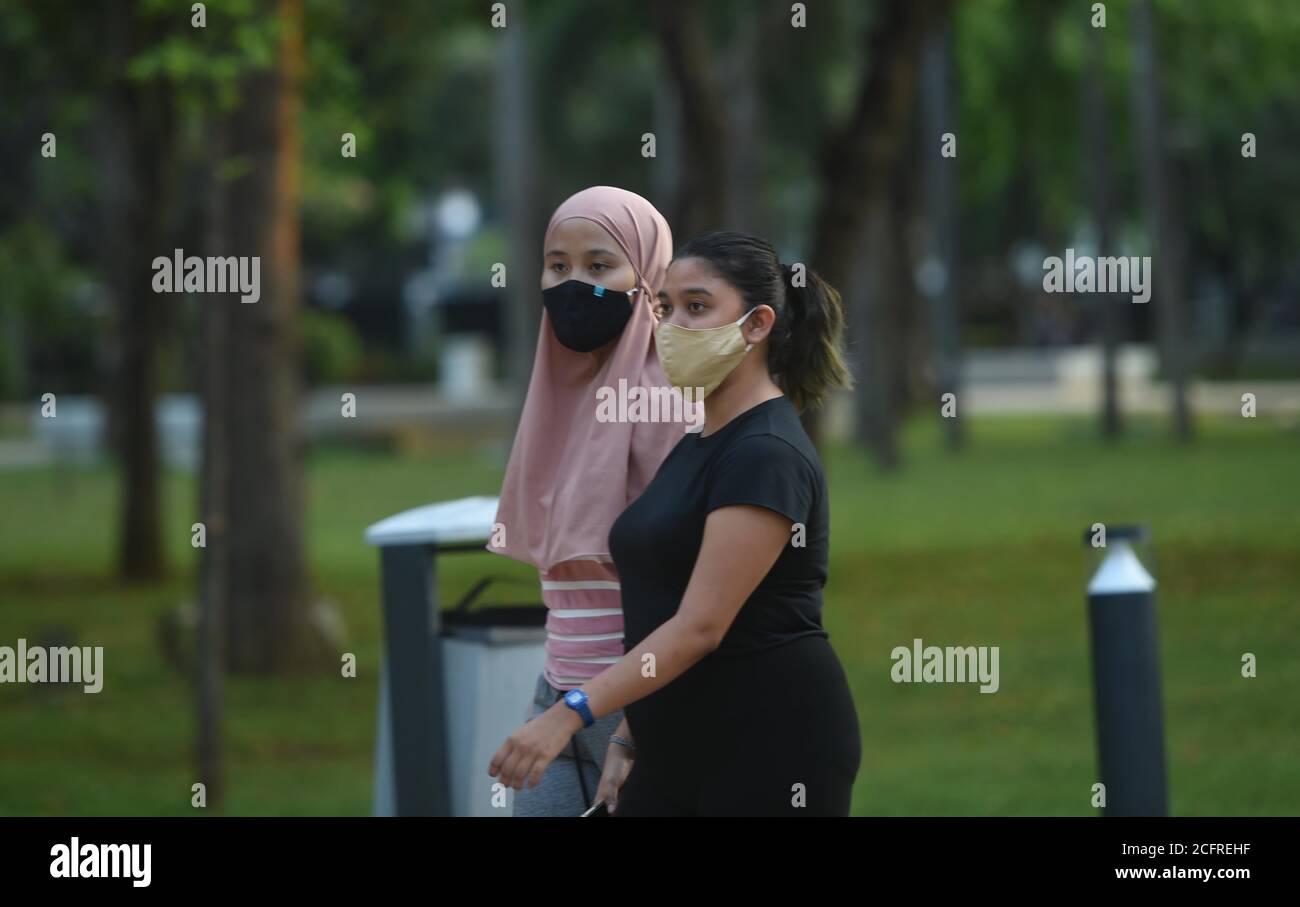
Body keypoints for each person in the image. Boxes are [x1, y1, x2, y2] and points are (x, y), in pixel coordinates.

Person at [489, 230, 862, 816]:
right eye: (664, 307)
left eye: (697, 306)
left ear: (757, 324)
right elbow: (661, 602)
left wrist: (569, 713)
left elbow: (698, 627)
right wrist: (628, 735)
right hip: (676, 739)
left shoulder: (764, 453)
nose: (671, 326)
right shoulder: (701, 439)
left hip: (766, 738)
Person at [487, 186, 683, 816]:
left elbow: (692, 583)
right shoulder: (557, 393)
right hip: (556, 691)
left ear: (647, 274)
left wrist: (627, 718)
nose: (573, 284)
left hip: (639, 705)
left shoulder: (674, 402)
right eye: (557, 265)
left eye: (600, 267)